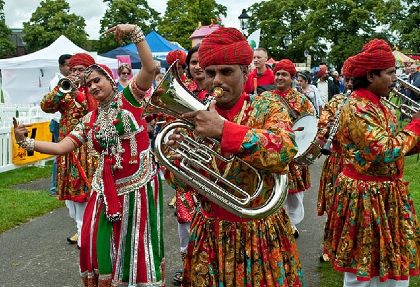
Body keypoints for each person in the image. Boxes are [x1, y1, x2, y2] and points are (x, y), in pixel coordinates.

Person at [15, 24, 164, 287]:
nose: (93, 86)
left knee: (135, 244)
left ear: (109, 78)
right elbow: (62, 147)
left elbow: (150, 69)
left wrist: (135, 33)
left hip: (137, 188)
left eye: (97, 80)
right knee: (95, 242)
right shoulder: (90, 119)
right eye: (88, 84)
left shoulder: (130, 99)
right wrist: (26, 142)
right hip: (105, 190)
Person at [166, 27, 304, 287]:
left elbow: (285, 149)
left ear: (245, 71)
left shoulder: (267, 106)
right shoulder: (194, 117)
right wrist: (175, 161)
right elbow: (180, 184)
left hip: (260, 232)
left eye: (226, 72)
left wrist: (224, 131)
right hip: (209, 232)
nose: (217, 80)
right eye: (210, 73)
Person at [323, 38, 420, 286]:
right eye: (390, 73)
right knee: (361, 269)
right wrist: (416, 125)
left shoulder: (382, 105)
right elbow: (383, 151)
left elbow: (395, 146)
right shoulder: (357, 106)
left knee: (389, 261)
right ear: (370, 76)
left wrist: (416, 139)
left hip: (386, 192)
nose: (395, 79)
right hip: (366, 195)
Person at [40, 52, 98, 247]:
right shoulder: (65, 91)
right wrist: (60, 89)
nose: (75, 73)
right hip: (67, 150)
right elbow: (46, 106)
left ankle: (87, 233)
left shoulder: (95, 90)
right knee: (72, 199)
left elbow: (94, 111)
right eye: (73, 70)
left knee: (87, 194)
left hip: (88, 151)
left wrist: (78, 93)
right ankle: (80, 228)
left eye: (80, 70)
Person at [269, 59, 315, 238]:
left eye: (284, 74)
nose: (280, 77)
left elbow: (310, 124)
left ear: (292, 78)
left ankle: (292, 223)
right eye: (278, 74)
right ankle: (280, 223)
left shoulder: (301, 100)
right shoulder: (267, 98)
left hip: (295, 153)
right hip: (273, 151)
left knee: (295, 195)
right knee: (275, 190)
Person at [316, 66, 353, 263]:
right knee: (333, 205)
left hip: (356, 162)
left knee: (353, 209)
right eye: (347, 80)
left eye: (353, 79)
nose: (350, 84)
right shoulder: (337, 101)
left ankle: (350, 247)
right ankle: (329, 247)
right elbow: (321, 128)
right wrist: (328, 130)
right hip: (336, 160)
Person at [47, 53, 71, 196]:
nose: (70, 68)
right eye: (68, 65)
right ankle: (54, 187)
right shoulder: (56, 81)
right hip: (58, 122)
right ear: (61, 66)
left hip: (68, 122)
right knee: (59, 153)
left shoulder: (71, 79)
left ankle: (65, 184)